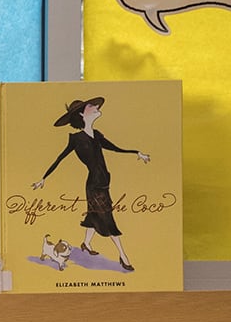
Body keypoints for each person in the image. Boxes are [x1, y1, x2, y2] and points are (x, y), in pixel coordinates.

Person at [31, 96, 149, 272]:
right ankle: (123, 256)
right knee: (108, 219)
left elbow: (115, 148)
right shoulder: (76, 139)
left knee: (94, 216)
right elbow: (60, 158)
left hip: (104, 182)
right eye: (90, 106)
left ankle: (86, 243)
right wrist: (44, 178)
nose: (95, 107)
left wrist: (136, 152)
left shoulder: (97, 135)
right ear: (81, 114)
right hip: (94, 185)